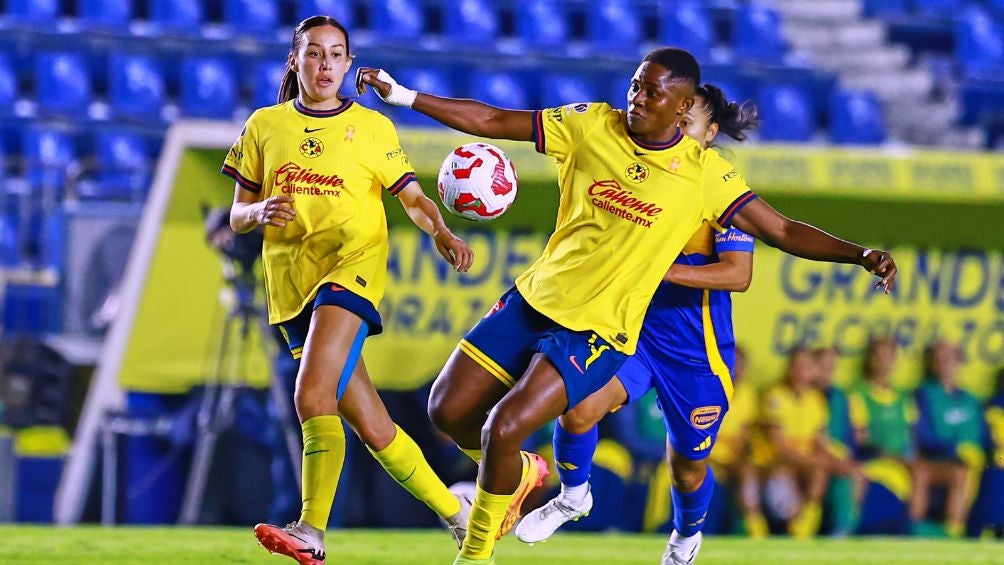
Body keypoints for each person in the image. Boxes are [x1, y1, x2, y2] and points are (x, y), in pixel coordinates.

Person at [358, 47, 897, 565]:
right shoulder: (592, 123)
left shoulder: (706, 176)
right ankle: (528, 475)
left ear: (684, 107)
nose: (636, 97)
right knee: (446, 411)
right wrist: (405, 97)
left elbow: (780, 229)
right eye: (636, 84)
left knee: (510, 428)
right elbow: (498, 120)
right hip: (536, 299)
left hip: (601, 330)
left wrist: (861, 253)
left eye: (652, 91)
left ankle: (476, 554)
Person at [222, 16, 475, 565]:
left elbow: (412, 198)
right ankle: (460, 517)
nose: (325, 66)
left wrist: (443, 232)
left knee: (311, 395)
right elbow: (237, 215)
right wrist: (259, 209)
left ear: (349, 62)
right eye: (314, 54)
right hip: (292, 282)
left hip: (352, 268)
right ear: (296, 61)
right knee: (374, 425)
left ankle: (311, 531)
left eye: (336, 55)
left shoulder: (373, 128)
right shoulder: (265, 126)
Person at [509, 84, 762, 557]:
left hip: (696, 354)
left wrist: (659, 267)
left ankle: (685, 535)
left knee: (686, 467)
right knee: (579, 406)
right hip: (634, 336)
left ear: (708, 134)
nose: (674, 130)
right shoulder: (639, 174)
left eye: (686, 126)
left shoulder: (720, 191)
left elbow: (738, 273)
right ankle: (572, 496)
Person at [910, 340, 984, 537]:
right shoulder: (924, 394)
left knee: (973, 471)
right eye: (939, 360)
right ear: (932, 364)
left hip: (974, 462)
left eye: (949, 359)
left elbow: (983, 436)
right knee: (954, 473)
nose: (944, 364)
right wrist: (954, 450)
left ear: (958, 362)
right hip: (939, 460)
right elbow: (922, 436)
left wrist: (978, 452)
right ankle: (926, 531)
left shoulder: (971, 399)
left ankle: (964, 530)